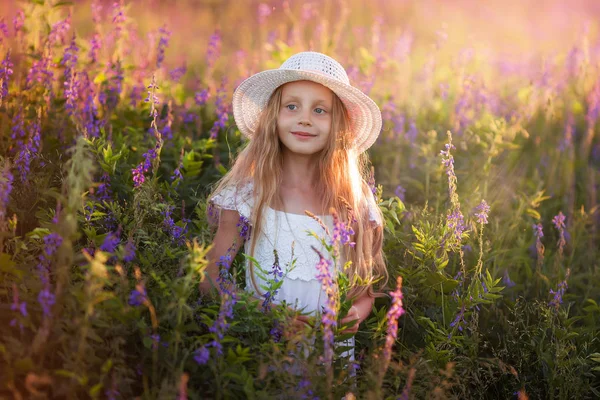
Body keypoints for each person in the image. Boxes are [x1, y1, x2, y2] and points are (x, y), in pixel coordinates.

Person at [200, 51, 387, 362]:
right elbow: (211, 278)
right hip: (262, 346)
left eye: (319, 110)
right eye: (292, 106)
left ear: (338, 124)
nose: (304, 119)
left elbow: (363, 294)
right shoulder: (247, 194)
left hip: (330, 357)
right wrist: (261, 312)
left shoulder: (352, 200)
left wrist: (351, 317)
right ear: (273, 115)